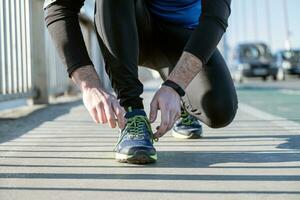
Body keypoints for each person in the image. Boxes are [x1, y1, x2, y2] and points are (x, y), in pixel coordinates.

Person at [44, 0, 238, 164]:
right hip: (133, 31)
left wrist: (175, 86)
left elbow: (215, 17)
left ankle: (181, 104)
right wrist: (89, 85)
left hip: (184, 40)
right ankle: (133, 114)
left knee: (219, 110)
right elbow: (58, 7)